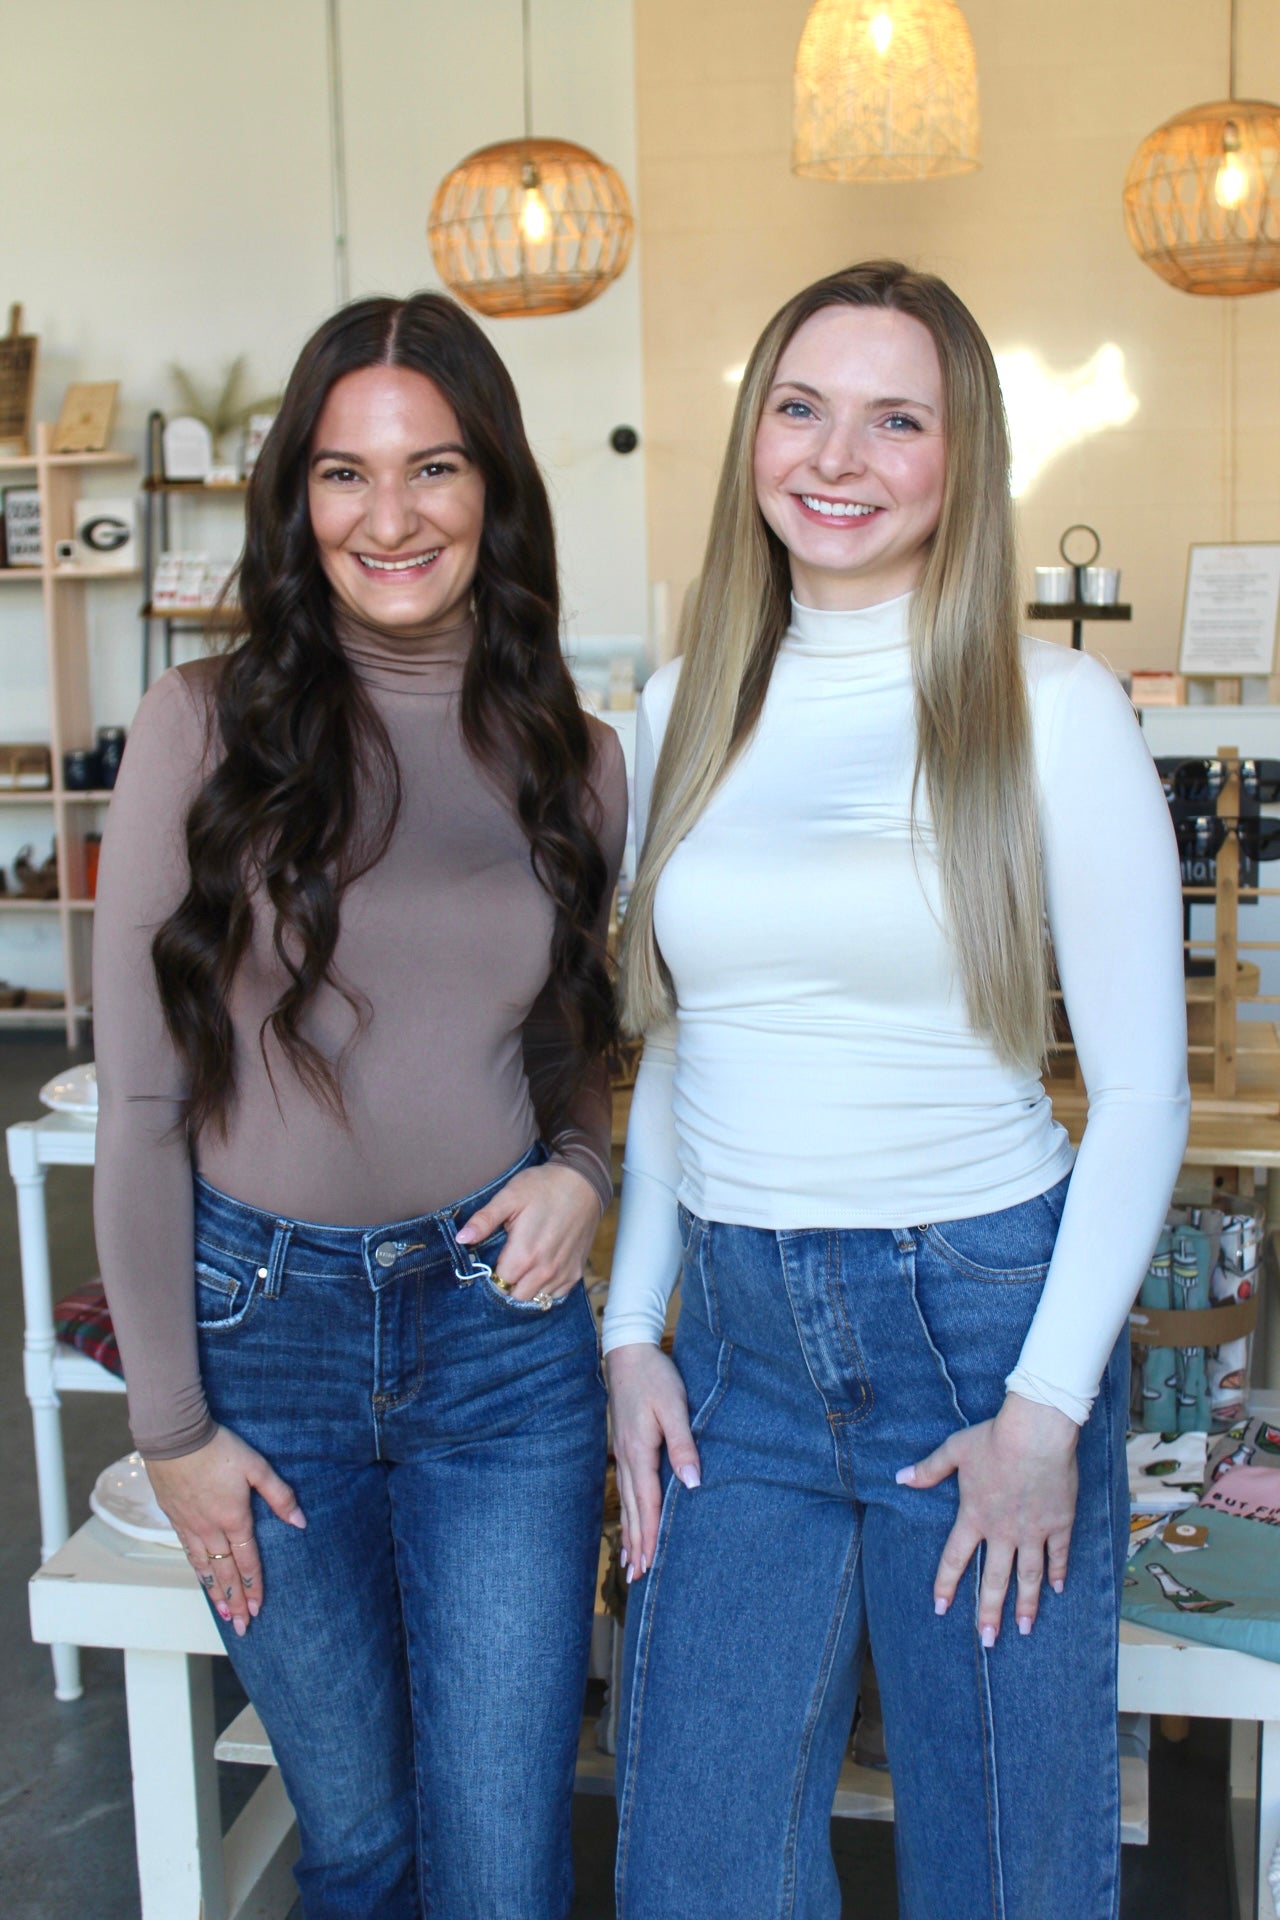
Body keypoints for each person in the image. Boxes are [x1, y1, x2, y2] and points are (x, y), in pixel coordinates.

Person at [603, 260, 1189, 1919]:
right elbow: (679, 1038)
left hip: (979, 1335)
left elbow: (1142, 1096)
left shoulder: (1055, 713)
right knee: (699, 1869)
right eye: (801, 407)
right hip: (734, 1349)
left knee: (1002, 1870)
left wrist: (1047, 1410)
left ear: (962, 458)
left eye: (896, 420)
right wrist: (632, 1330)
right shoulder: (680, 708)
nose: (837, 457)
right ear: (753, 436)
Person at [93, 292, 626, 1920]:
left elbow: (573, 1041)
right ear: (299, 499)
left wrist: (585, 1166)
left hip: (500, 1348)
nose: (388, 518)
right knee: (364, 1845)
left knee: (503, 1868)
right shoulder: (199, 726)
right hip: (264, 1349)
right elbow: (141, 1097)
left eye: (433, 467)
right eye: (344, 473)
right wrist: (173, 1431)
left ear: (495, 489)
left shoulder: (581, 758)